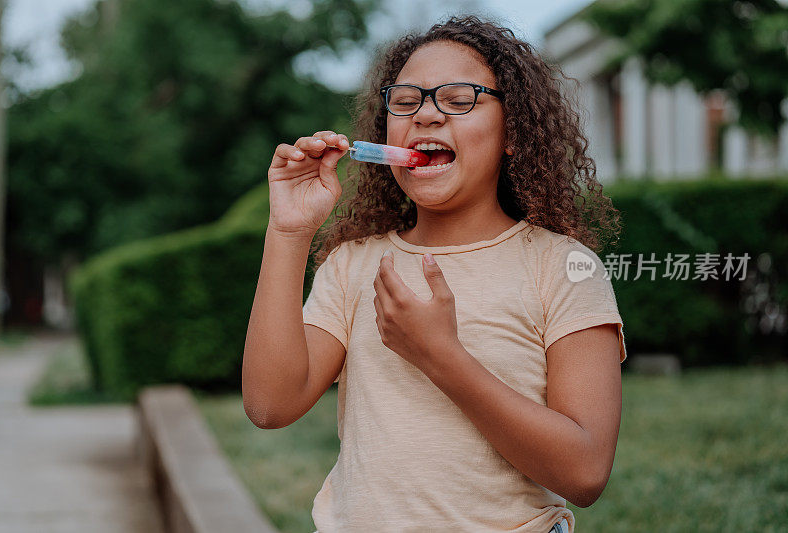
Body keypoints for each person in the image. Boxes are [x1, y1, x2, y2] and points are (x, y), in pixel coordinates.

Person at [243, 14, 627, 533]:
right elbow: (270, 405)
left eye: (458, 98)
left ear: (512, 130)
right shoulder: (354, 263)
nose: (425, 115)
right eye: (405, 101)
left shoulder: (564, 268)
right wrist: (288, 233)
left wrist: (440, 355)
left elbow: (584, 473)